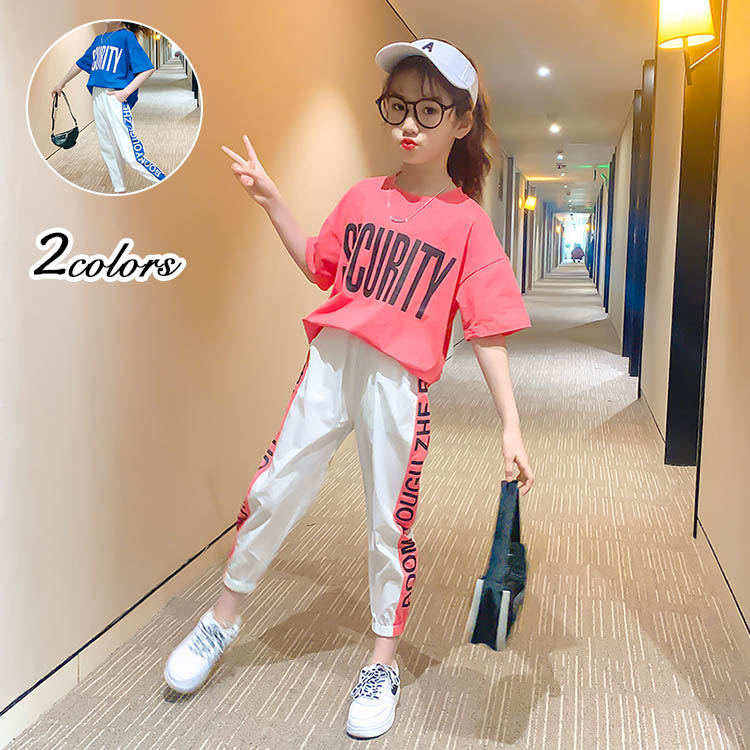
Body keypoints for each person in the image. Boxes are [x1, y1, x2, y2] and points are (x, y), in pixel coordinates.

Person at [163, 38, 535, 740]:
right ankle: (222, 618)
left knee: (389, 522)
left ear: (462, 122)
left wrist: (511, 426)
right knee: (276, 485)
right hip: (331, 363)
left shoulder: (468, 224)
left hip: (398, 383)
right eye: (399, 106)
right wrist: (273, 200)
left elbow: (488, 331)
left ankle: (381, 661)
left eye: (430, 110)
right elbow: (319, 265)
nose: (409, 124)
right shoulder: (364, 197)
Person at [51, 21, 166, 193]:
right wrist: (61, 83)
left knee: (131, 154)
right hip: (97, 97)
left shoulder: (126, 36)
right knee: (108, 148)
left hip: (115, 98)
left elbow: (147, 69)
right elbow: (80, 64)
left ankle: (164, 181)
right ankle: (119, 189)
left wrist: (125, 92)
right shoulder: (99, 39)